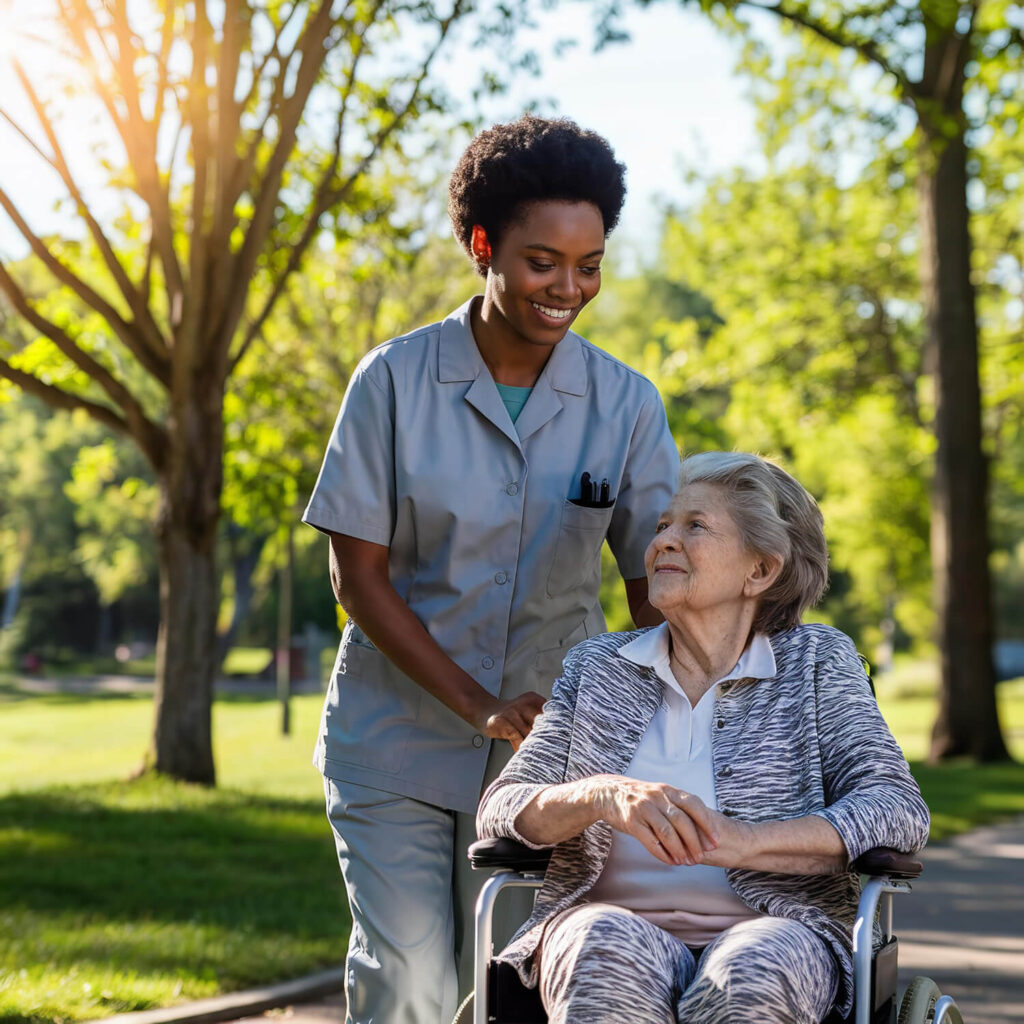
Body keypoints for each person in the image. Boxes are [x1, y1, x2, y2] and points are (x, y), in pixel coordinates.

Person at [302, 114, 680, 1024]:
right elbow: (359, 584)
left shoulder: (627, 404)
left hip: (549, 764)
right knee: (413, 989)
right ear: (483, 246)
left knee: (511, 992)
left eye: (588, 265)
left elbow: (657, 591)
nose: (568, 287)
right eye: (542, 261)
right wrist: (479, 704)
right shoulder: (390, 383)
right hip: (391, 744)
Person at [477, 451, 930, 1024]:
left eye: (695, 526)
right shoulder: (598, 668)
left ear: (760, 571)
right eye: (663, 525)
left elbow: (897, 807)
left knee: (754, 969)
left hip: (780, 931)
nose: (664, 540)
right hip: (609, 922)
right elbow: (501, 808)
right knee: (602, 945)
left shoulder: (815, 664)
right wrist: (599, 795)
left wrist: (743, 840)